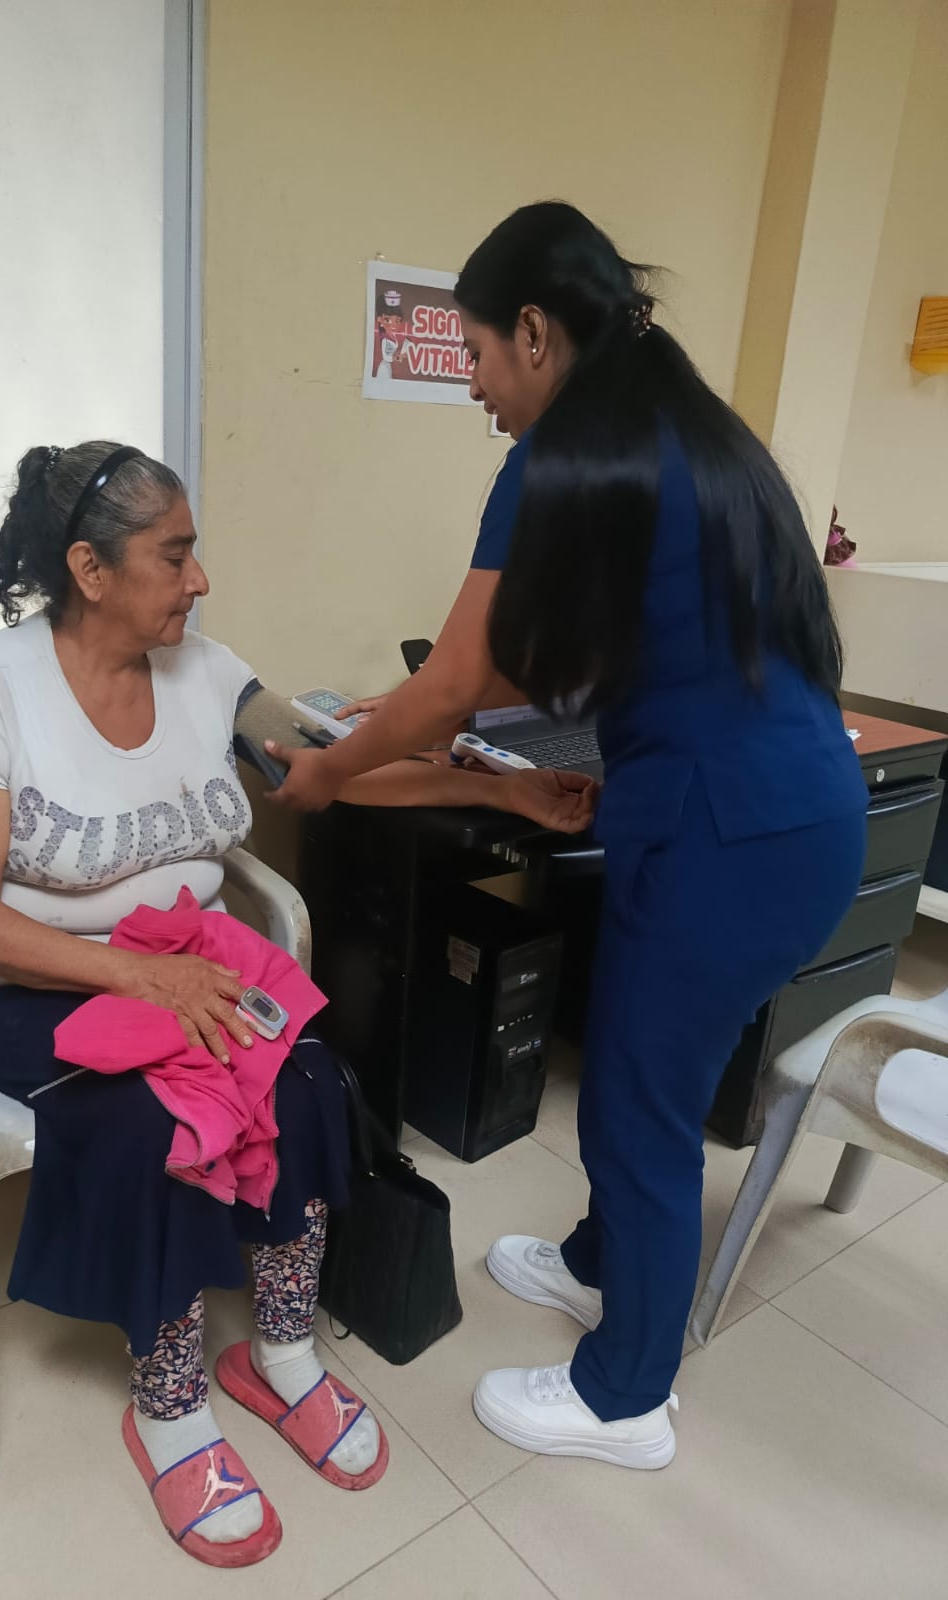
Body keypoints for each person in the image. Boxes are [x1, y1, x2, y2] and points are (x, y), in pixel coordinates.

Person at [0, 439, 597, 1567]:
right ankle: (169, 1404)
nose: (201, 579)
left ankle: (280, 1354)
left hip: (184, 964)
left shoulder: (208, 673)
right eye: (174, 554)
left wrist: (504, 789)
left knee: (312, 1078)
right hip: (29, 983)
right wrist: (136, 975)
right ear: (90, 569)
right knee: (151, 1121)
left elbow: (335, 763)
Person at [269, 202, 868, 1469]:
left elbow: (459, 682)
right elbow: (535, 663)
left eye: (478, 352)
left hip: (729, 836)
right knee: (643, 1075)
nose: (474, 384)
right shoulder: (682, 431)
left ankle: (626, 1395)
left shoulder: (555, 459)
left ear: (534, 333)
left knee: (641, 1104)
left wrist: (329, 767)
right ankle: (602, 1260)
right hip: (784, 815)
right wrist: (405, 710)